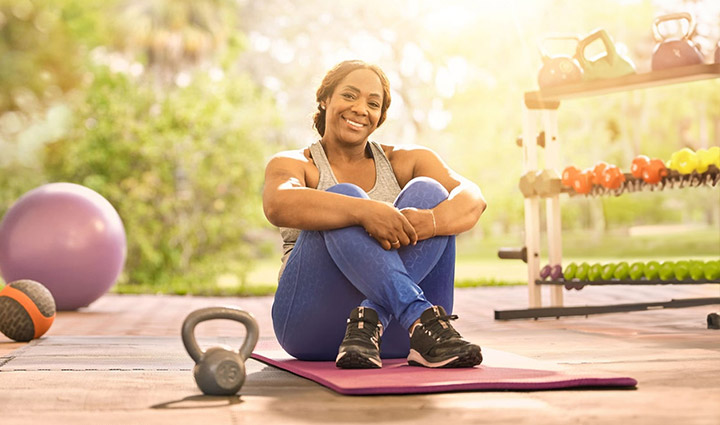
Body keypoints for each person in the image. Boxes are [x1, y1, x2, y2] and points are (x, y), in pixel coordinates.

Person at [262, 60, 487, 369]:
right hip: (311, 327)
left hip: (399, 335)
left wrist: (431, 223)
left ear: (380, 117)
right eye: (349, 95)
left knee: (432, 193)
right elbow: (277, 204)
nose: (360, 109)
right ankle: (418, 314)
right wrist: (365, 211)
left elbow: (473, 198)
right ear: (325, 99)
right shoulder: (294, 163)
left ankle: (401, 321)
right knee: (343, 197)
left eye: (372, 103)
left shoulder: (406, 160)